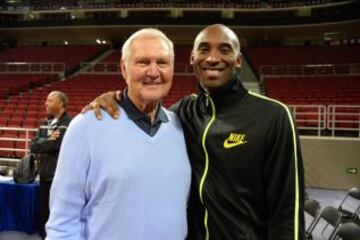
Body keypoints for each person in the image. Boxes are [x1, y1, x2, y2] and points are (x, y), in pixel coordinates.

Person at [85, 24, 305, 240]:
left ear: (238, 60)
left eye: (225, 50)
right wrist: (115, 98)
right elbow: (142, 118)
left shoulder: (273, 116)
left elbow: (288, 211)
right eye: (204, 49)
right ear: (192, 58)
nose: (212, 57)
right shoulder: (182, 113)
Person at [45, 29, 191, 240]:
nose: (153, 72)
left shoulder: (181, 127)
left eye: (162, 62)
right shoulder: (86, 127)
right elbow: (62, 222)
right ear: (124, 68)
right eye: (143, 62)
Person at [30, 91, 72, 239]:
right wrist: (47, 139)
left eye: (50, 100)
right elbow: (33, 146)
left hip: (59, 177)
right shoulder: (46, 123)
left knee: (57, 213)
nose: (45, 103)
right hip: (44, 174)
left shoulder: (68, 124)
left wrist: (45, 141)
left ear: (60, 104)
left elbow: (56, 145)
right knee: (44, 212)